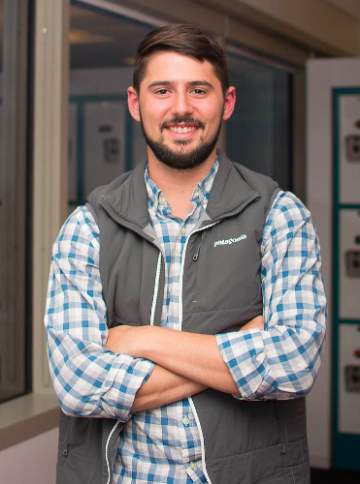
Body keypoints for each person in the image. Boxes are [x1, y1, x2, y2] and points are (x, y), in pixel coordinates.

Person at [45, 24, 326, 484]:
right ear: (136, 103)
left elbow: (293, 364)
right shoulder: (87, 227)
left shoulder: (279, 215)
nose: (181, 108)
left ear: (227, 102)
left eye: (199, 90)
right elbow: (78, 386)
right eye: (162, 90)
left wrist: (140, 339)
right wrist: (236, 349)